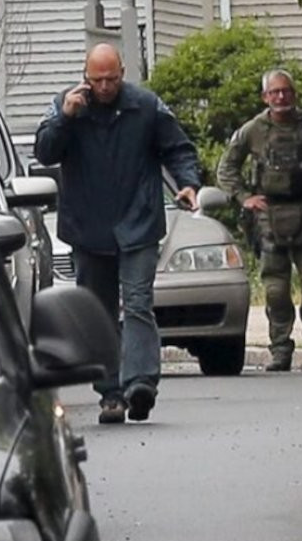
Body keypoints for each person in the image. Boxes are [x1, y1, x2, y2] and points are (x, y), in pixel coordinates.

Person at [35, 43, 202, 425]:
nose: (105, 87)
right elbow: (44, 152)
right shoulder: (66, 105)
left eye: (112, 79)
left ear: (123, 73)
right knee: (99, 311)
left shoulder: (145, 106)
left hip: (137, 220)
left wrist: (188, 183)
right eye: (97, 80)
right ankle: (110, 392)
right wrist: (64, 118)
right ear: (85, 76)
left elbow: (178, 148)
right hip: (87, 225)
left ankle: (140, 383)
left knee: (139, 302)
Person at [217, 69, 302, 371]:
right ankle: (280, 349)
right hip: (269, 219)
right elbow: (227, 168)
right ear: (265, 97)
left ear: (294, 94)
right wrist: (243, 197)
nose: (281, 97)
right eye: (274, 92)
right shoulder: (253, 131)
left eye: (286, 91)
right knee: (275, 291)